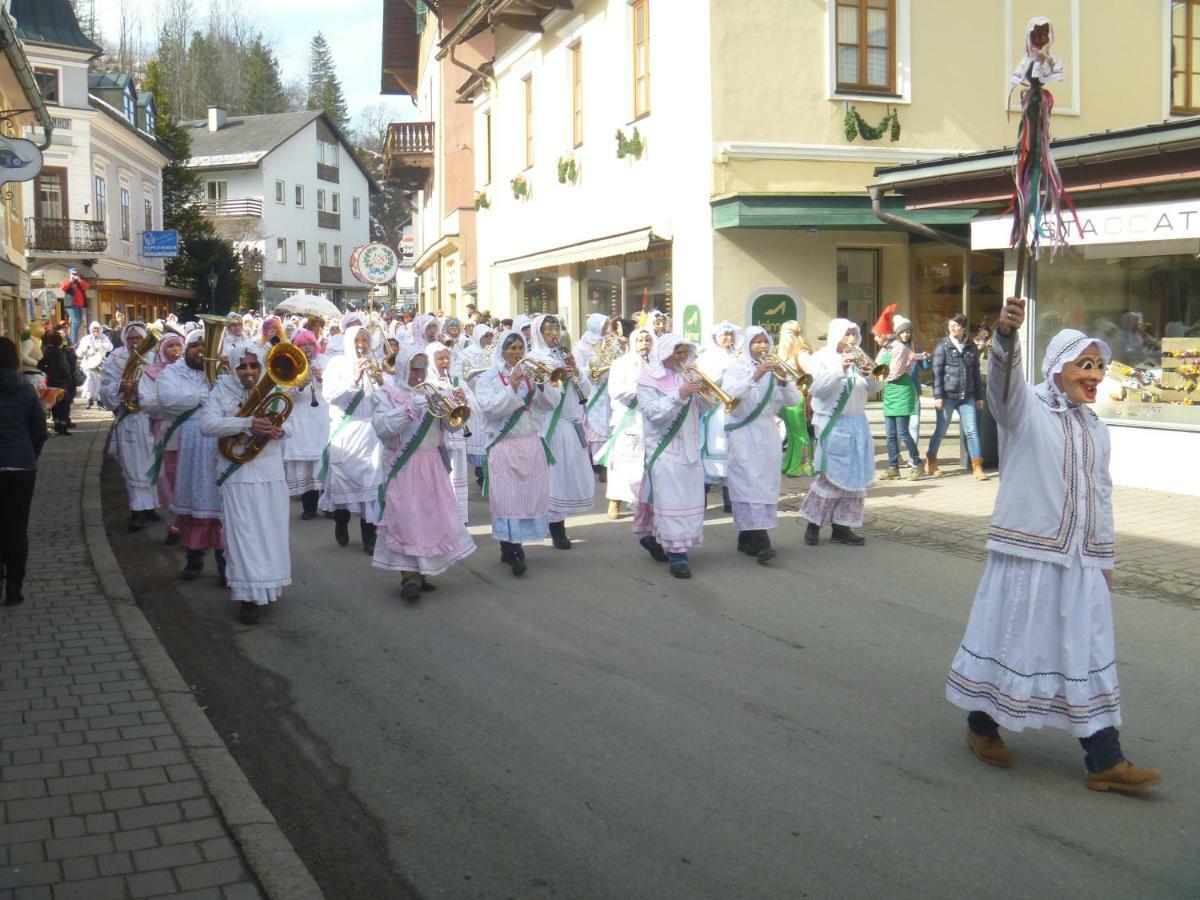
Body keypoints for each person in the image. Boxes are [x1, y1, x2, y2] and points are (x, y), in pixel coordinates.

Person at [946, 296, 1161, 794]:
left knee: (1085, 650)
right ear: (1057, 368)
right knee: (1011, 640)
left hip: (1080, 560)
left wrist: (1104, 557)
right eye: (1085, 365)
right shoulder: (1026, 409)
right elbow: (1001, 388)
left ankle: (1104, 758)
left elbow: (1101, 495)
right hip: (1028, 553)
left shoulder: (1096, 428)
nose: (1096, 375)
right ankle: (981, 726)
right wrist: (1004, 337)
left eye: (1100, 366)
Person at [371, 347, 477, 600]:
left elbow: (452, 428)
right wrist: (410, 410)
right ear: (404, 368)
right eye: (414, 369)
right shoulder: (385, 394)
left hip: (432, 464)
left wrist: (458, 407)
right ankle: (409, 576)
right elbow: (383, 428)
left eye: (422, 368)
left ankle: (424, 570)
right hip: (404, 464)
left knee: (432, 519)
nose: (419, 374)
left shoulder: (434, 391)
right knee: (407, 520)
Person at [200, 345, 291, 625]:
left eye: (253, 366)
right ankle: (246, 597)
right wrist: (246, 423)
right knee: (243, 534)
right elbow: (207, 425)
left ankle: (268, 588)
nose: (249, 372)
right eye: (243, 367)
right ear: (232, 367)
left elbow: (292, 426)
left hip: (270, 472)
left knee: (270, 532)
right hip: (237, 473)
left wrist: (279, 430)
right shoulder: (220, 390)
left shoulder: (274, 390)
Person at [474, 332, 554, 576]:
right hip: (504, 444)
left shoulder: (532, 372)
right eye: (512, 348)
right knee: (506, 498)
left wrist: (540, 385)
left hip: (530, 443)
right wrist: (512, 386)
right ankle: (512, 547)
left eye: (521, 347)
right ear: (502, 351)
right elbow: (490, 409)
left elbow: (551, 403)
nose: (517, 352)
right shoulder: (487, 378)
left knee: (528, 497)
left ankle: (513, 545)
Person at [634, 333, 711, 579]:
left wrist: (705, 392)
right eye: (676, 352)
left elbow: (705, 408)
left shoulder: (689, 374)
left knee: (687, 501)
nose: (681, 357)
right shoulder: (647, 379)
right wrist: (680, 393)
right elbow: (653, 414)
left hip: (690, 447)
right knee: (670, 502)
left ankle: (655, 539)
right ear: (664, 353)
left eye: (684, 352)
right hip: (663, 448)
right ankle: (678, 556)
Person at [721, 327, 800, 563]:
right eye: (756, 342)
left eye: (765, 342)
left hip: (767, 432)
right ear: (747, 345)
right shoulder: (736, 367)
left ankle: (746, 537)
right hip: (744, 431)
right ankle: (761, 540)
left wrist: (783, 383)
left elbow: (793, 400)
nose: (762, 346)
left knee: (764, 483)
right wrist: (755, 376)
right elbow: (729, 395)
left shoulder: (776, 367)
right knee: (747, 482)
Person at [799, 319, 881, 547]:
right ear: (836, 335)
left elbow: (876, 388)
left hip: (857, 423)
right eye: (847, 335)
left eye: (855, 334)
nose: (852, 339)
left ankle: (842, 527)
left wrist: (870, 373)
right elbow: (818, 390)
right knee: (830, 478)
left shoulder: (859, 356)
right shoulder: (820, 359)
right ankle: (813, 524)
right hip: (832, 424)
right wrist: (840, 368)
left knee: (854, 478)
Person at [155, 330, 226, 581]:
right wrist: (201, 395)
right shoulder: (172, 372)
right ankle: (194, 559)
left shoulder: (223, 370)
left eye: (205, 346)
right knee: (194, 502)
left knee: (220, 506)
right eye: (195, 345)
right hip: (190, 444)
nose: (200, 350)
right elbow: (168, 400)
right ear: (187, 348)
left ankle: (224, 565)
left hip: (219, 443)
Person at [528, 314, 594, 549]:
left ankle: (556, 521)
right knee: (552, 478)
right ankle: (556, 528)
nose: (553, 335)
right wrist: (558, 379)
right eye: (548, 330)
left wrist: (576, 373)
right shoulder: (534, 358)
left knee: (565, 477)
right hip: (549, 425)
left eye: (556, 329)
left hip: (570, 423)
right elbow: (542, 397)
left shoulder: (563, 355)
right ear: (538, 333)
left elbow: (583, 392)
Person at [320, 325, 385, 553]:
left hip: (371, 436)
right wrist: (354, 379)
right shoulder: (337, 364)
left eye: (365, 340)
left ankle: (369, 537)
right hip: (345, 434)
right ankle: (341, 520)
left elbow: (384, 399)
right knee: (343, 484)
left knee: (370, 488)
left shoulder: (375, 364)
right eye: (357, 340)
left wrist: (382, 382)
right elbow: (330, 395)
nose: (361, 344)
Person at [0, 337, 47, 606]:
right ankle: (15, 587)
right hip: (21, 468)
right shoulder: (25, 389)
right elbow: (39, 431)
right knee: (17, 527)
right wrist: (30, 457)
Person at [101, 323, 160, 531]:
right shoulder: (115, 358)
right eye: (131, 338)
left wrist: (142, 387)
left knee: (152, 464)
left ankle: (150, 505)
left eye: (138, 338)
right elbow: (104, 388)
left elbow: (162, 384)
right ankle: (137, 509)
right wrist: (120, 386)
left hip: (150, 417)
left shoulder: (154, 357)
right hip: (130, 418)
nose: (135, 341)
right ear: (125, 339)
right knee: (133, 464)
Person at [600, 327, 651, 520]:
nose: (644, 344)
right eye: (640, 340)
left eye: (647, 340)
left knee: (644, 463)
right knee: (622, 461)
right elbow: (616, 390)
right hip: (627, 418)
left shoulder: (656, 364)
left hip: (648, 419)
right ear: (632, 342)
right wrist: (642, 390)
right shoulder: (621, 363)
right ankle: (615, 500)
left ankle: (642, 502)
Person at [139, 332, 185, 544]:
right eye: (171, 346)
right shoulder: (150, 373)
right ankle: (175, 519)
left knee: (187, 478)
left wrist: (175, 402)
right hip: (166, 432)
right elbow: (147, 403)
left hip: (190, 433)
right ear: (162, 349)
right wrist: (172, 404)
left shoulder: (191, 371)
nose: (176, 350)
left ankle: (186, 522)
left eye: (178, 345)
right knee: (166, 478)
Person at [926, 313, 985, 480]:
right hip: (947, 395)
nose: (952, 328)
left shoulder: (971, 346)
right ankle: (931, 461)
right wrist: (937, 395)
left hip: (968, 395)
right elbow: (937, 372)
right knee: (941, 431)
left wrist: (979, 396)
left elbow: (975, 372)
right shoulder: (942, 345)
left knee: (972, 431)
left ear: (963, 327)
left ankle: (977, 467)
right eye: (951, 325)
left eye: (956, 325)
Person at [282, 329, 329, 520]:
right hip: (301, 417)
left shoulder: (324, 361)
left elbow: (335, 388)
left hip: (322, 417)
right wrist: (299, 384)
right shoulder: (290, 366)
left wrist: (321, 378)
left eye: (310, 343)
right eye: (303, 344)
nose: (307, 347)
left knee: (323, 459)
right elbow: (284, 393)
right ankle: (309, 507)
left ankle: (328, 506)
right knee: (306, 463)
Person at [875, 311, 926, 480]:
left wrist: (878, 375)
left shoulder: (900, 348)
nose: (877, 339)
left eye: (879, 336)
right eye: (903, 331)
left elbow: (894, 373)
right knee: (890, 434)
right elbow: (875, 369)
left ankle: (918, 464)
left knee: (903, 432)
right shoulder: (886, 349)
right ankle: (893, 467)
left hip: (902, 391)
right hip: (890, 393)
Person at [697, 322, 740, 511]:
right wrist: (729, 366)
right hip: (714, 408)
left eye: (730, 335)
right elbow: (708, 381)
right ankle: (702, 498)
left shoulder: (738, 356)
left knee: (731, 451)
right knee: (712, 448)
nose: (728, 338)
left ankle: (729, 499)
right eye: (724, 335)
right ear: (715, 337)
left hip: (733, 408)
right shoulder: (707, 357)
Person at [776, 321, 814, 478]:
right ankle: (790, 463)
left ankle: (803, 466)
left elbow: (811, 372)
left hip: (797, 395)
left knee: (799, 432)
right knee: (792, 432)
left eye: (784, 333)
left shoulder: (801, 350)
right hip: (786, 395)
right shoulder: (785, 351)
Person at [37, 332, 74, 435]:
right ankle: (63, 427)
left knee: (55, 404)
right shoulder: (59, 352)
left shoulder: (48, 352)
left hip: (51, 381)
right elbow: (64, 368)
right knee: (64, 405)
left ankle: (57, 425)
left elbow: (39, 365)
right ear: (59, 341)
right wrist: (69, 379)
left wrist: (48, 370)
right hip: (61, 382)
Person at [78, 322, 109, 410]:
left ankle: (99, 401)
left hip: (100, 363)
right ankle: (89, 399)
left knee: (99, 381)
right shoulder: (86, 339)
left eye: (97, 329)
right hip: (88, 363)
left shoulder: (103, 338)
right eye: (93, 330)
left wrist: (102, 344)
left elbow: (110, 347)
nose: (95, 331)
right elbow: (79, 352)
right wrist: (84, 350)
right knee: (90, 380)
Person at [59, 268, 90, 344]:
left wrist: (79, 280)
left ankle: (73, 338)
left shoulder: (80, 283)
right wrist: (70, 280)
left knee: (79, 322)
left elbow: (87, 287)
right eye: (73, 274)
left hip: (80, 305)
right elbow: (63, 288)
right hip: (71, 305)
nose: (74, 275)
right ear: (70, 274)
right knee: (76, 321)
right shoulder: (68, 282)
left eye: (75, 274)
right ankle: (73, 341)